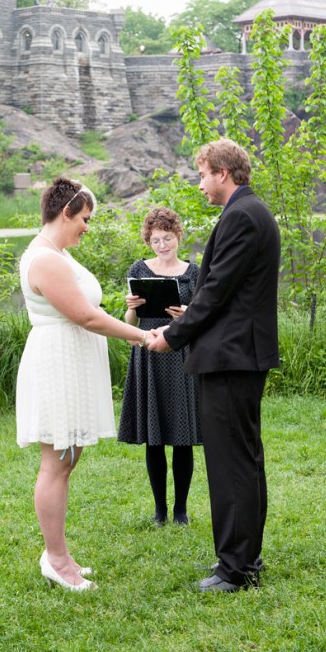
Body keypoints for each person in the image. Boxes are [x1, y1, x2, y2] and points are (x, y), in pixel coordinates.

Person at [146, 139, 280, 593]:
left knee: (231, 464)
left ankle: (235, 570)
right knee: (244, 458)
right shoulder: (250, 211)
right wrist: (192, 318)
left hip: (230, 358)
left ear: (223, 172)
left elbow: (217, 290)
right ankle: (248, 560)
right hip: (237, 354)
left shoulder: (242, 215)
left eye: (202, 174)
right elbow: (226, 293)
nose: (200, 184)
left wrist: (172, 335)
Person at [16, 176, 152, 592]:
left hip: (70, 364)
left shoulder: (58, 253)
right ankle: (56, 560)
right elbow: (86, 316)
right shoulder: (45, 260)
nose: (87, 227)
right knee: (56, 462)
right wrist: (144, 336)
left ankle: (59, 552)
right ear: (65, 212)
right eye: (85, 218)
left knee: (68, 458)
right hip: (55, 365)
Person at [118, 207, 202, 526]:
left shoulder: (193, 272)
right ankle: (159, 511)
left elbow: (203, 318)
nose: (162, 245)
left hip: (181, 354)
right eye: (156, 240)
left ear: (178, 236)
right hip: (149, 353)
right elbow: (131, 325)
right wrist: (130, 309)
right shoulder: (139, 269)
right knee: (154, 438)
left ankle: (180, 510)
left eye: (167, 238)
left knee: (182, 437)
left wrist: (186, 317)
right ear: (148, 240)